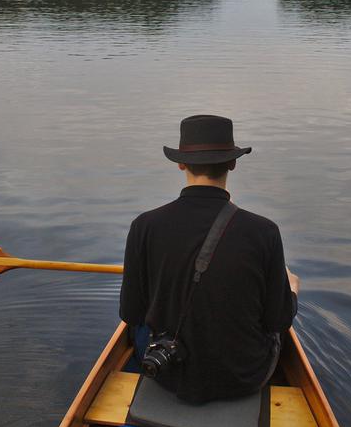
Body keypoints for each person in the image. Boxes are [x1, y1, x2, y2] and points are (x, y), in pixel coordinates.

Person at [120, 115, 299, 404]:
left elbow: (131, 313)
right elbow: (276, 321)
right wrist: (291, 291)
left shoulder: (145, 226)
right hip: (242, 377)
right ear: (232, 163)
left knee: (140, 327)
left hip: (166, 372)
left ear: (180, 163)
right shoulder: (264, 231)